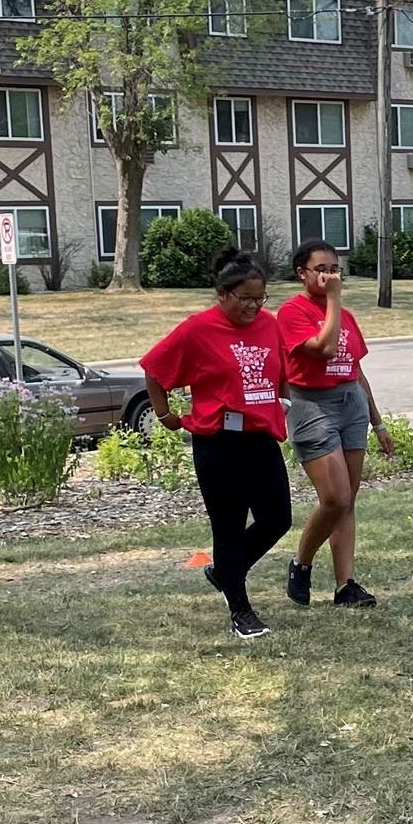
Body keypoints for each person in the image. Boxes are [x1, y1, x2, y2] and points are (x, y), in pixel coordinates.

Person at [140, 250, 294, 639]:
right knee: (228, 529)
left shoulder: (269, 325)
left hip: (261, 437)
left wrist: (284, 402)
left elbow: (281, 369)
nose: (254, 306)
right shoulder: (198, 329)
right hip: (218, 442)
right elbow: (155, 369)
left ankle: (224, 571)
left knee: (278, 519)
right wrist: (164, 415)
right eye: (245, 298)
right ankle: (241, 611)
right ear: (222, 294)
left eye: (260, 298)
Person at [275, 238, 394, 609]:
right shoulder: (291, 313)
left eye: (334, 268)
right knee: (335, 497)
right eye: (321, 269)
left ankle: (346, 586)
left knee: (348, 500)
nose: (329, 275)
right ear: (301, 274)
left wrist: (377, 422)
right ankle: (302, 562)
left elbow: (355, 369)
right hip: (312, 404)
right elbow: (325, 348)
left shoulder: (345, 315)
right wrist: (333, 300)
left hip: (350, 403)